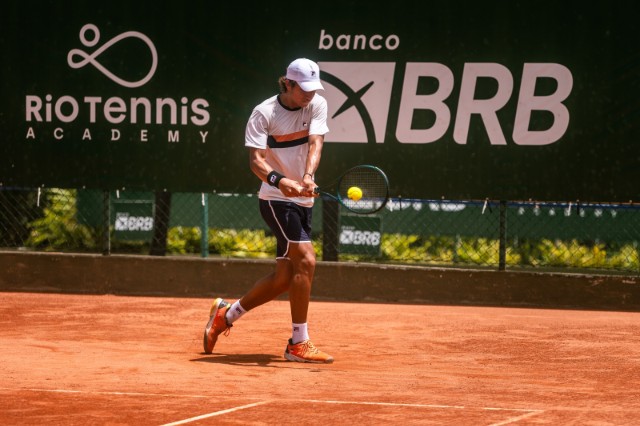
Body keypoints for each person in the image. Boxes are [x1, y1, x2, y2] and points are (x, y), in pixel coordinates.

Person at [203, 58, 333, 364]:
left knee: (284, 278)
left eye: (313, 89)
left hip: (302, 199)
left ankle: (226, 314)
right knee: (306, 259)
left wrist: (308, 176)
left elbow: (315, 143)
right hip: (275, 199)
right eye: (303, 89)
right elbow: (256, 162)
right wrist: (281, 181)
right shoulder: (264, 113)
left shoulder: (316, 105)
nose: (309, 95)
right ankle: (298, 343)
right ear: (287, 83)